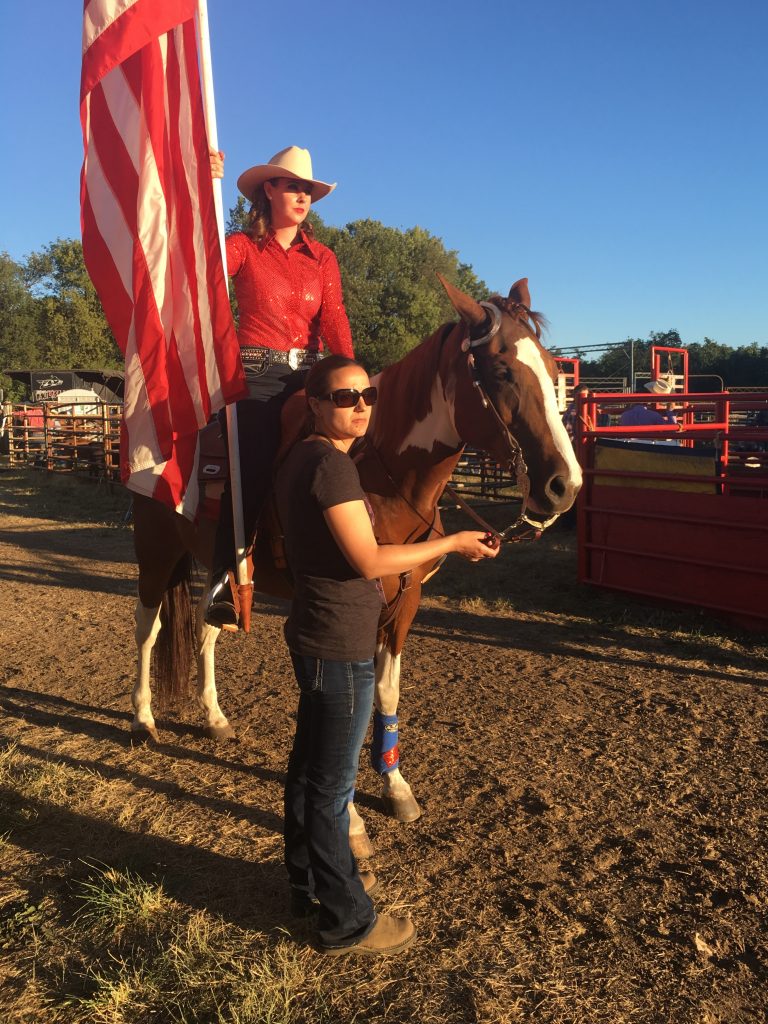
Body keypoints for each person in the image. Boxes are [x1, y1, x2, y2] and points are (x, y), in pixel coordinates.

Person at [274, 354, 500, 956]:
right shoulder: (331, 468)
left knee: (307, 774)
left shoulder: (303, 458)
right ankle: (347, 919)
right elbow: (370, 560)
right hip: (341, 642)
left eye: (368, 396)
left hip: (316, 633)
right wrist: (450, 541)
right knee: (330, 787)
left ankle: (306, 884)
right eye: (346, 398)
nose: (361, 407)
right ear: (315, 405)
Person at [206, 146, 355, 628]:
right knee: (250, 462)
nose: (302, 195)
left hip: (312, 375)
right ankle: (224, 582)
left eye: (307, 189)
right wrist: (201, 191)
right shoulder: (242, 247)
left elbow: (333, 317)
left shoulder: (323, 258)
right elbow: (199, 266)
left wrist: (353, 376)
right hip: (259, 375)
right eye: (292, 185)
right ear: (268, 190)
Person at [619, 377, 680, 444]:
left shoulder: (624, 415)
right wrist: (670, 412)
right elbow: (671, 431)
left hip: (628, 446)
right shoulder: (654, 416)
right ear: (649, 401)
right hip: (648, 446)